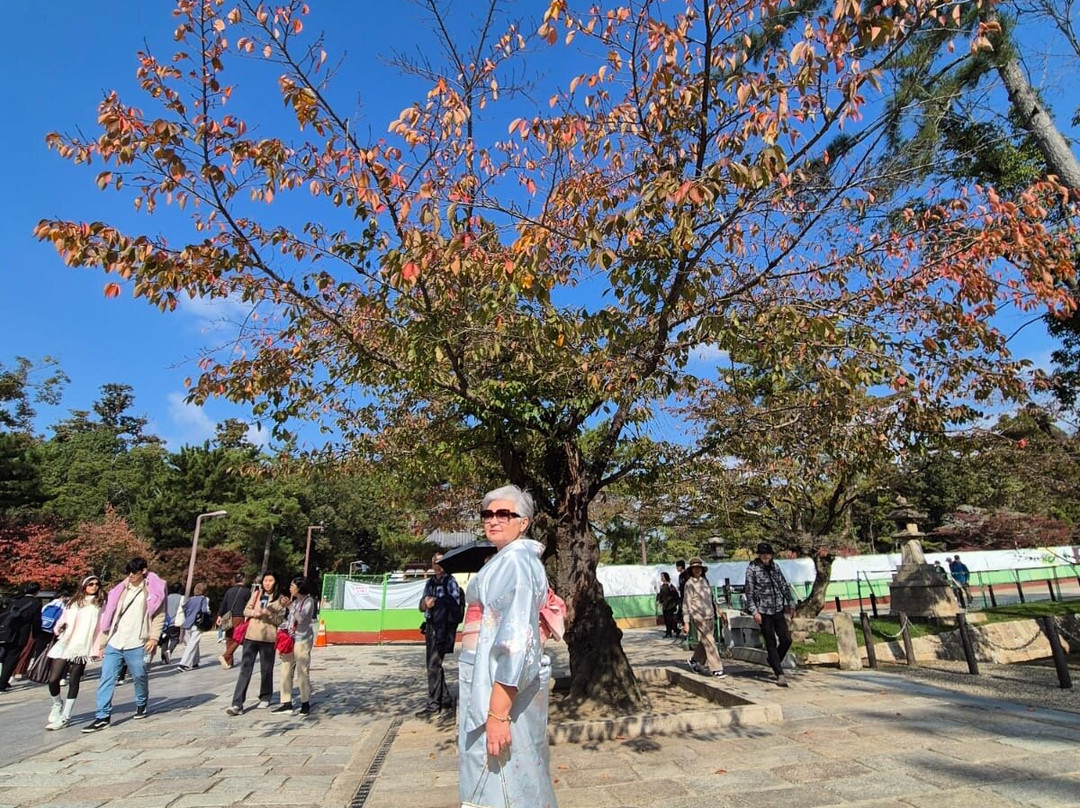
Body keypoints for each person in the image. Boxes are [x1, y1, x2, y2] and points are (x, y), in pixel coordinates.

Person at [458, 485, 557, 808]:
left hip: (500, 689)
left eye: (504, 514)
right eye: (487, 514)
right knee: (516, 772)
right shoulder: (509, 560)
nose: (493, 520)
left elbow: (515, 642)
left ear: (523, 522)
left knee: (502, 779)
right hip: (487, 678)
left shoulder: (515, 563)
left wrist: (498, 714)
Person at [83, 557, 167, 732]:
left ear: (143, 571)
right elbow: (109, 616)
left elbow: (159, 616)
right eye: (128, 572)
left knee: (139, 676)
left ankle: (141, 702)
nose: (131, 575)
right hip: (116, 641)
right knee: (106, 678)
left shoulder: (154, 590)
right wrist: (103, 642)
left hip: (138, 641)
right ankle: (102, 716)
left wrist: (154, 638)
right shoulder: (119, 590)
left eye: (134, 572)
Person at [44, 575, 104, 730]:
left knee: (74, 680)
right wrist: (59, 628)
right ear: (84, 586)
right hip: (66, 642)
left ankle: (66, 716)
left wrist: (98, 647)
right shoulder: (73, 602)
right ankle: (57, 703)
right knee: (53, 679)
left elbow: (101, 627)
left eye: (97, 584)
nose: (94, 586)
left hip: (83, 645)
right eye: (90, 584)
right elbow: (63, 619)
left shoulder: (100, 604)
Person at [226, 571, 286, 716]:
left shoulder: (281, 599)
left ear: (276, 582)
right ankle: (237, 703)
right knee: (245, 669)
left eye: (270, 580)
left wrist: (269, 614)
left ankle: (265, 696)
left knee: (266, 670)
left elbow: (280, 620)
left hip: (268, 638)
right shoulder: (257, 594)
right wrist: (254, 613)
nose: (267, 583)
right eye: (265, 580)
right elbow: (246, 610)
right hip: (251, 636)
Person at [417, 552, 464, 717]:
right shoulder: (429, 582)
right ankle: (444, 698)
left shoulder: (450, 581)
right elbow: (421, 606)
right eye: (435, 562)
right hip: (431, 626)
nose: (438, 565)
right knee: (433, 664)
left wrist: (437, 602)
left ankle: (433, 704)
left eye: (441, 562)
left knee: (433, 665)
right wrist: (425, 604)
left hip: (444, 628)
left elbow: (454, 603)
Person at [743, 542, 794, 687]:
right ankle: (779, 673)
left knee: (786, 639)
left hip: (777, 608)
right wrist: (754, 611)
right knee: (770, 641)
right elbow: (749, 592)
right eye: (763, 553)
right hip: (763, 611)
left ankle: (773, 660)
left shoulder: (775, 567)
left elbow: (783, 585)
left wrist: (791, 602)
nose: (766, 556)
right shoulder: (752, 569)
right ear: (759, 555)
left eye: (768, 553)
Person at [274, 576, 316, 716]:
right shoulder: (295, 602)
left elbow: (301, 618)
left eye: (292, 586)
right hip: (291, 639)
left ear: (299, 588)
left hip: (302, 639)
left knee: (302, 670)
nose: (290, 588)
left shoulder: (308, 601)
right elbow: (290, 620)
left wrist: (290, 607)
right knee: (285, 669)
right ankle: (286, 702)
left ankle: (305, 702)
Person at [681, 559, 726, 678]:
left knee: (705, 641)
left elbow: (712, 598)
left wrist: (719, 611)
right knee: (710, 641)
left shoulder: (705, 581)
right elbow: (686, 603)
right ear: (691, 570)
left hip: (709, 614)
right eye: (695, 568)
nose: (697, 570)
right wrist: (686, 622)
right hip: (698, 616)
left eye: (699, 568)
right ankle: (716, 668)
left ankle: (695, 660)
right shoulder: (689, 584)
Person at [0, 582, 43, 692]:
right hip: (20, 633)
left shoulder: (16, 600)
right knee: (12, 657)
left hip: (6, 631)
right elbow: (36, 621)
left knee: (4, 655)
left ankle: (4, 680)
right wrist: (36, 634)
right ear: (37, 591)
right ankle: (2, 682)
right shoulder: (35, 603)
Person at [217, 572, 251, 669]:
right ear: (243, 579)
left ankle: (229, 662)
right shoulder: (246, 591)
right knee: (238, 638)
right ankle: (226, 655)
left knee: (229, 638)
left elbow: (224, 604)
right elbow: (249, 605)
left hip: (228, 617)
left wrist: (219, 615)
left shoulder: (229, 591)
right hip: (239, 616)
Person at [177, 583, 211, 671]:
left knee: (191, 643)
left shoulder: (190, 599)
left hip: (188, 623)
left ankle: (195, 662)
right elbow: (204, 610)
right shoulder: (203, 599)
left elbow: (184, 608)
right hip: (197, 624)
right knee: (192, 644)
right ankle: (184, 664)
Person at [656, 572, 681, 638]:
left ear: (666, 577)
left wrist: (676, 603)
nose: (661, 578)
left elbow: (675, 595)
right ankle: (668, 632)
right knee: (666, 620)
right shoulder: (662, 586)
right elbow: (660, 595)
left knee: (670, 620)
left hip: (671, 605)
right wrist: (659, 601)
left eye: (663, 576)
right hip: (665, 606)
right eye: (661, 577)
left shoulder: (670, 586)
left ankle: (676, 630)